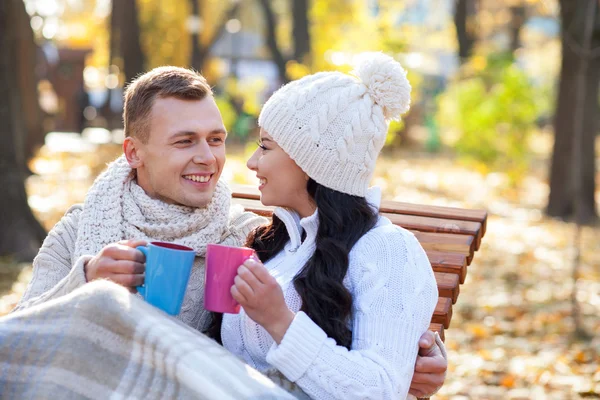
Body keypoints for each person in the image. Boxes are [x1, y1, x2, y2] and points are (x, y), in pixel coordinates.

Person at [12, 66, 446, 397]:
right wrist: (84, 283)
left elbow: (367, 345)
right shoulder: (78, 231)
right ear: (134, 153)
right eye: (185, 142)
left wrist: (418, 355)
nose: (212, 159)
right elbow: (18, 345)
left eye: (216, 140)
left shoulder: (244, 239)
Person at [206, 52, 440, 399]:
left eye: (265, 146)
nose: (253, 162)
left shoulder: (389, 250)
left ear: (310, 161)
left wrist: (280, 321)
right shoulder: (276, 243)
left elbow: (380, 390)